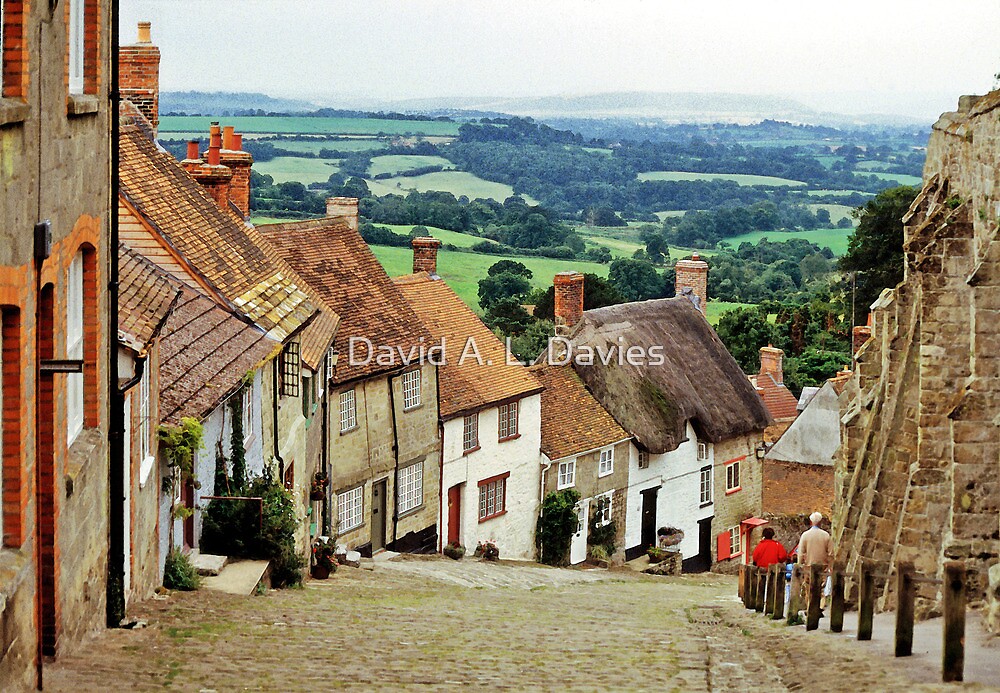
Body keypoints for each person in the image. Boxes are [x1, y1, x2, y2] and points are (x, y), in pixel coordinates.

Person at [797, 511, 833, 614]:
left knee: (809, 588)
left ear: (811, 522)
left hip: (808, 566)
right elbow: (830, 553)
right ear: (820, 522)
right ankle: (819, 607)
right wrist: (831, 566)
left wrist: (800, 565)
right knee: (821, 588)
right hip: (823, 566)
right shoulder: (826, 535)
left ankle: (810, 607)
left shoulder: (805, 535)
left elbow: (801, 552)